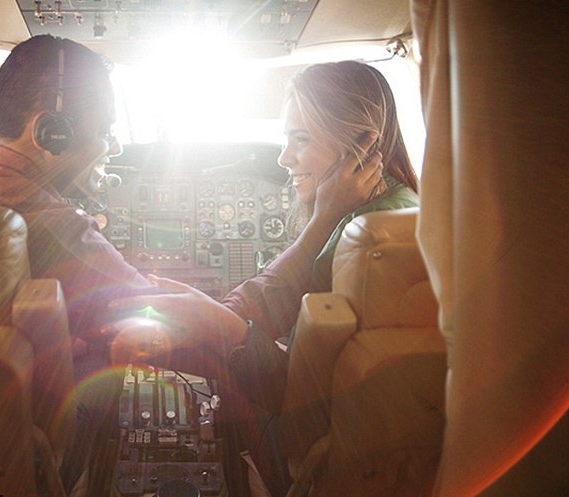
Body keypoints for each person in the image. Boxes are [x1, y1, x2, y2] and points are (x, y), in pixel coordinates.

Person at [105, 61, 420, 496]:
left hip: (317, 450)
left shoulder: (362, 240)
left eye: (301, 139)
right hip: (370, 444)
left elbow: (307, 399)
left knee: (219, 408)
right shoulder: (400, 211)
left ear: (363, 146)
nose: (283, 158)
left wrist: (231, 333)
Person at [0, 34, 159, 495]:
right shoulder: (50, 223)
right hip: (11, 451)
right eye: (104, 129)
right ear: (52, 131)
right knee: (117, 363)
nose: (113, 147)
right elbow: (153, 315)